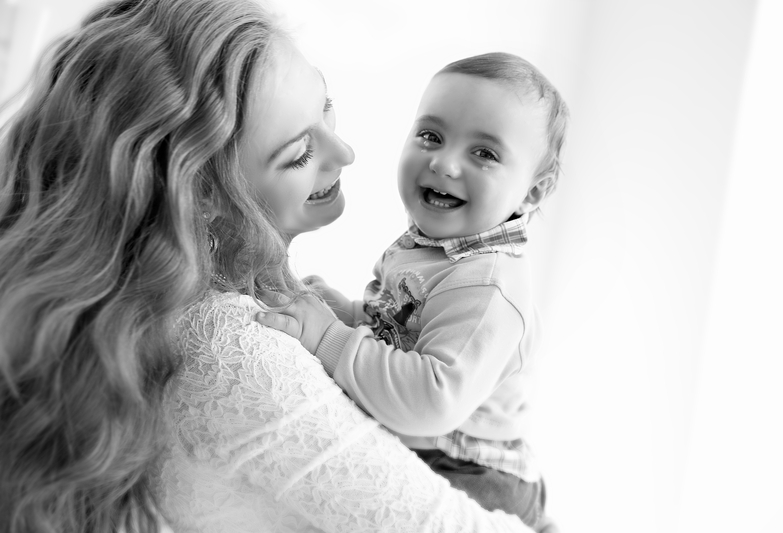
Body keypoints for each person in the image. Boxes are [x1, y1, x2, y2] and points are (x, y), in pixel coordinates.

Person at [0, 0, 553, 532]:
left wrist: (339, 319)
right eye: (300, 153)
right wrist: (335, 331)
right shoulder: (234, 350)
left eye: (326, 105)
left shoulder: (485, 279)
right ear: (203, 195)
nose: (345, 153)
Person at [255, 52, 569, 529]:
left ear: (532, 192)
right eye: (431, 136)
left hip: (471, 472)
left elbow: (431, 399)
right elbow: (401, 328)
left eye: (484, 154)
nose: (443, 163)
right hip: (426, 442)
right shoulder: (431, 246)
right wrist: (346, 313)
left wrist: (327, 337)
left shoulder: (488, 286)